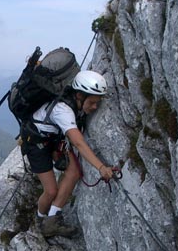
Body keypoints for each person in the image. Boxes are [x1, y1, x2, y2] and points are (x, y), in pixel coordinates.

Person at [21, 70, 114, 237]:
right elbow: (78, 142)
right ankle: (40, 220)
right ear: (79, 95)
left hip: (53, 138)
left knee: (74, 172)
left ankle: (52, 220)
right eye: (92, 102)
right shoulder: (63, 110)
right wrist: (101, 167)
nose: (94, 107)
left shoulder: (73, 101)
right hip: (36, 143)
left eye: (97, 103)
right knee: (50, 191)